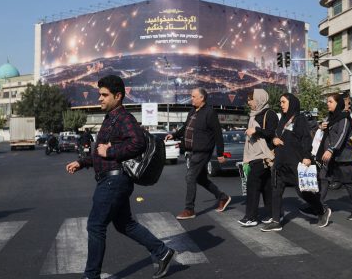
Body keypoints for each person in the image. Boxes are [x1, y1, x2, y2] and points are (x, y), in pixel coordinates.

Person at [66, 75, 174, 279]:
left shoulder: (124, 118)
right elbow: (100, 151)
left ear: (118, 96)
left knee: (95, 225)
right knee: (125, 224)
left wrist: (112, 152)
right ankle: (163, 252)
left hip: (113, 181)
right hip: (112, 179)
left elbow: (138, 143)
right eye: (99, 94)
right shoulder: (111, 118)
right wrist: (82, 162)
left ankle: (91, 275)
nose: (100, 98)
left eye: (104, 95)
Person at [261, 93, 331, 232]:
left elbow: (306, 138)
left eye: (283, 102)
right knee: (276, 190)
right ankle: (276, 221)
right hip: (281, 161)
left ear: (291, 103)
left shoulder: (299, 119)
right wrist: (274, 140)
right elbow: (276, 136)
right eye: (280, 102)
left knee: (302, 192)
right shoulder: (282, 120)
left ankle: (322, 211)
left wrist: (306, 156)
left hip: (295, 161)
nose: (281, 105)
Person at [166, 88, 231, 220]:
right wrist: (174, 135)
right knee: (200, 179)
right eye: (192, 96)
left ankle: (189, 209)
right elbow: (185, 128)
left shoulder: (210, 112)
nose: (192, 98)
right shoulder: (192, 111)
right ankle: (222, 197)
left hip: (203, 151)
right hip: (193, 150)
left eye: (194, 96)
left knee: (190, 177)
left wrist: (220, 153)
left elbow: (218, 134)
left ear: (202, 98)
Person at [314, 93, 352, 221]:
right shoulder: (331, 117)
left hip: (343, 156)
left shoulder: (344, 117)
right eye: (327, 101)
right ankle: (317, 205)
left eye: (330, 101)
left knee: (348, 183)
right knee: (323, 178)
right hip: (330, 156)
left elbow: (342, 136)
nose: (327, 104)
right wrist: (321, 126)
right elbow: (326, 131)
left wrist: (331, 149)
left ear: (338, 103)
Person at [238, 89, 278, 227]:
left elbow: (271, 133)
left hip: (263, 155)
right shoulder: (253, 115)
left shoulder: (270, 114)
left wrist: (256, 130)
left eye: (251, 99)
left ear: (259, 99)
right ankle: (272, 214)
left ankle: (251, 216)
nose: (249, 102)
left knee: (252, 186)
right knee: (266, 186)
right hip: (254, 155)